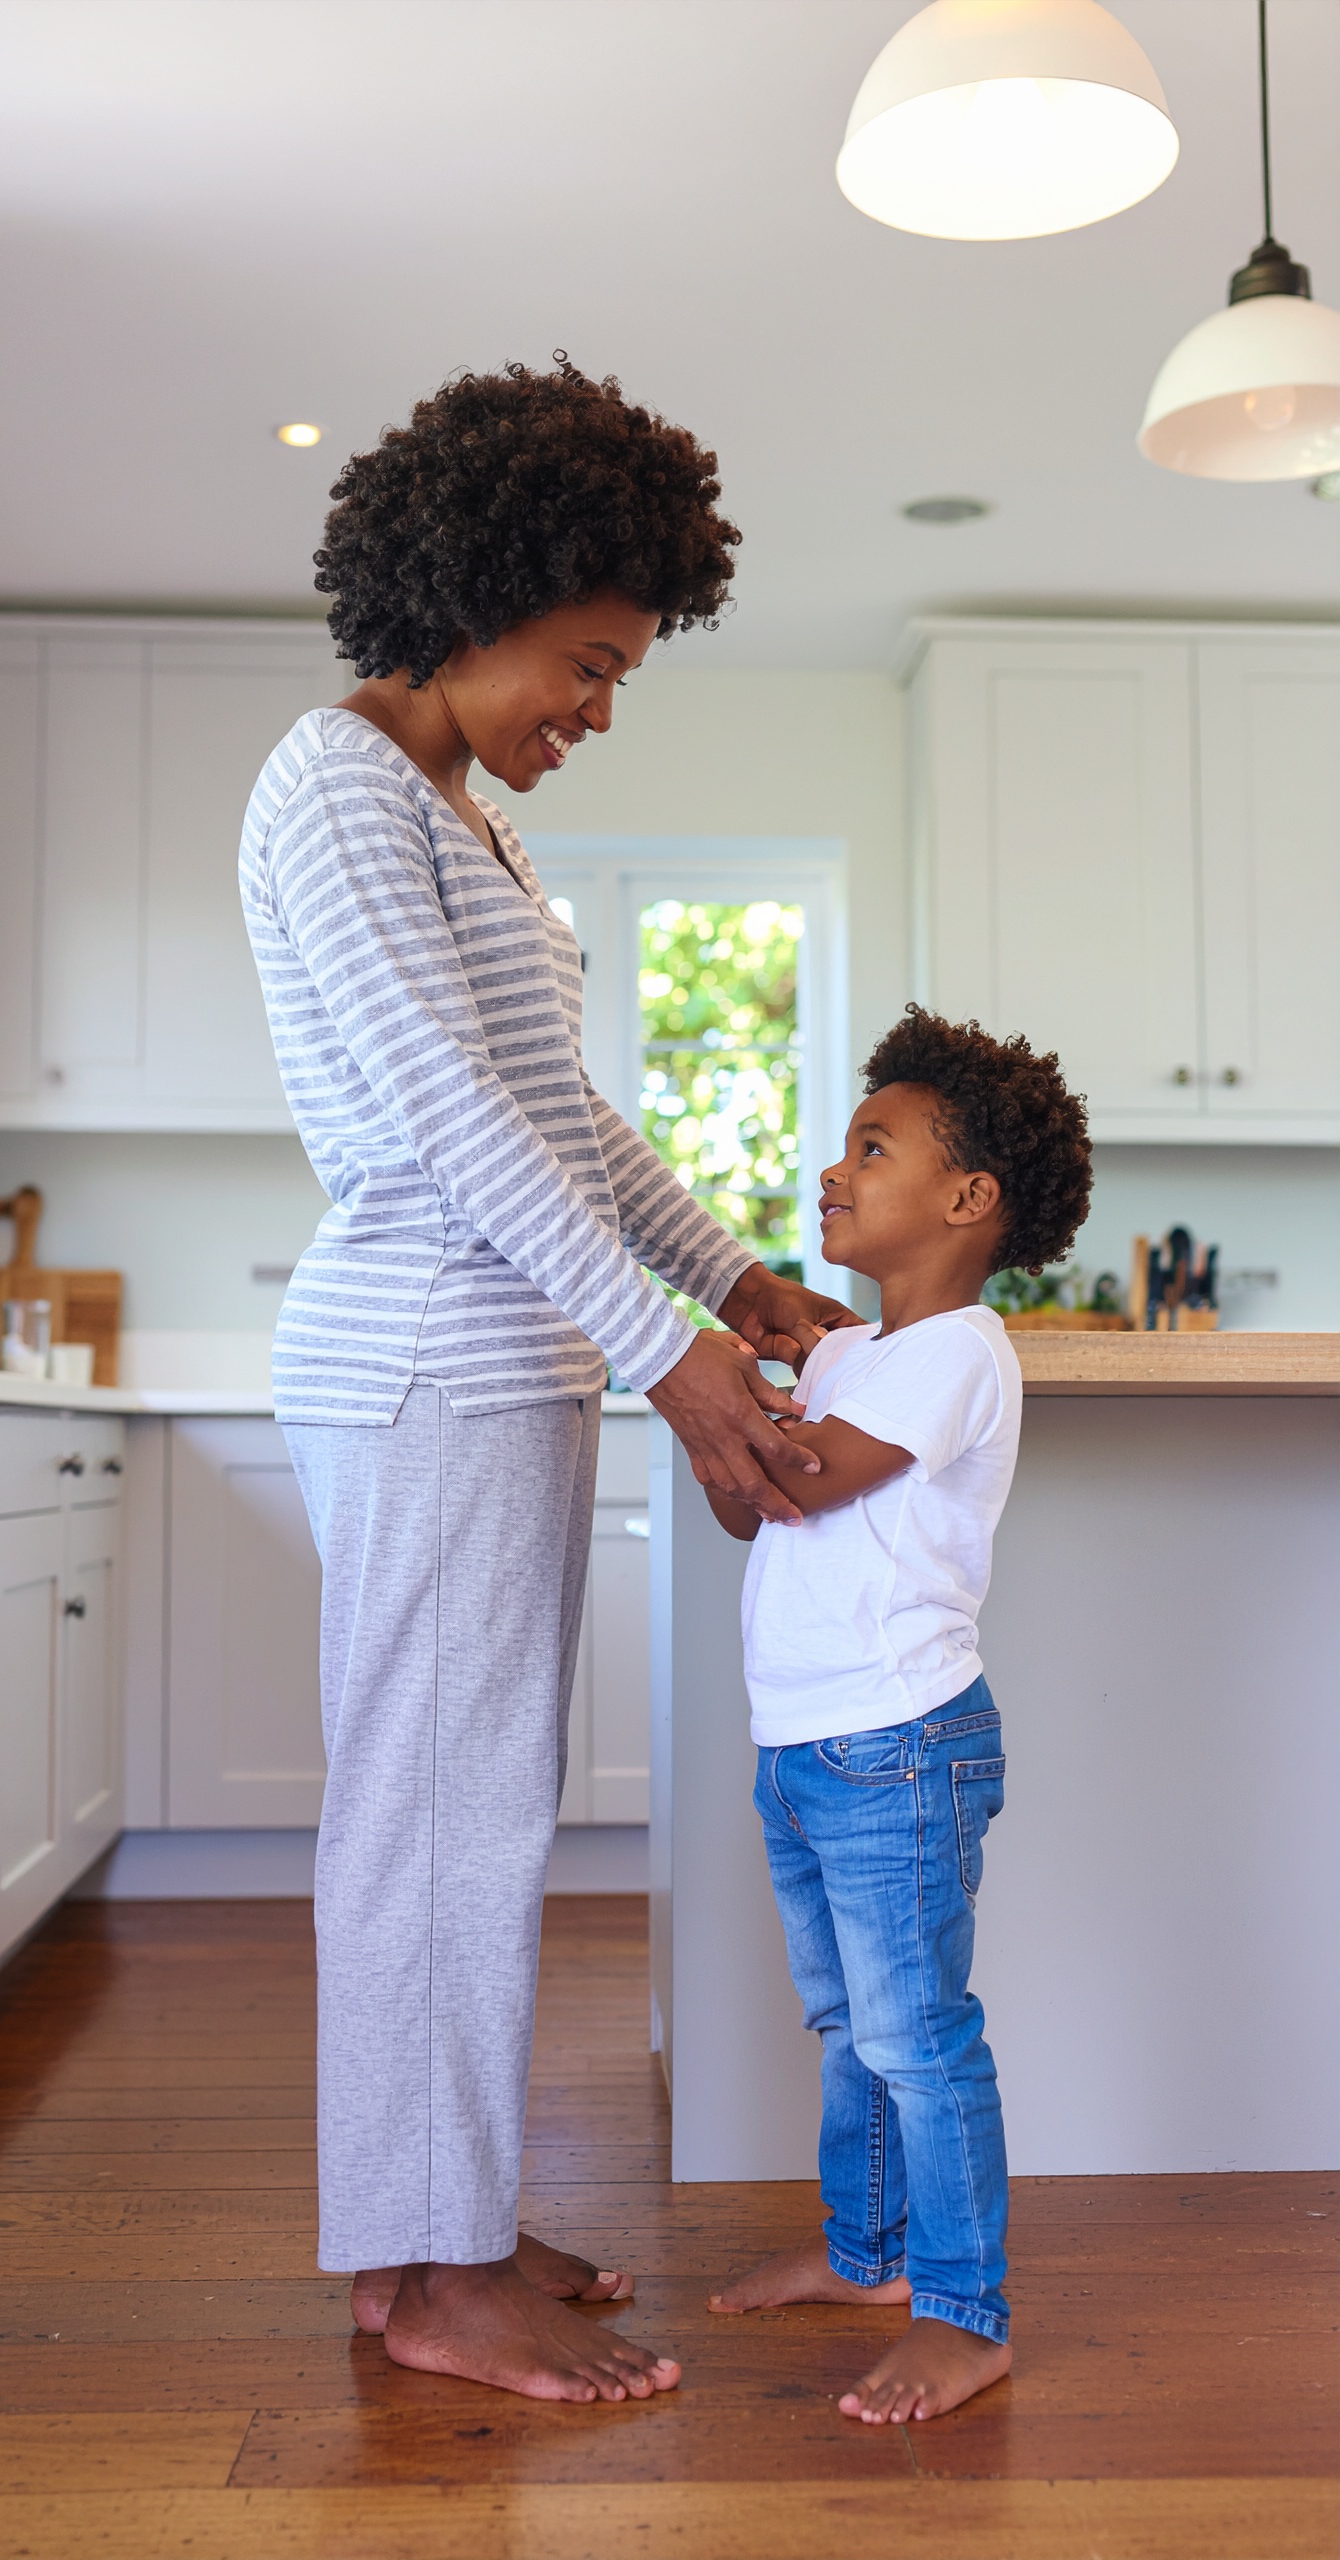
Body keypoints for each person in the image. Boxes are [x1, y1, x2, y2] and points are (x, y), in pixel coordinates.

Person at [239, 357, 857, 2405]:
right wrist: (675, 1357)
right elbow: (446, 1119)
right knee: (432, 1825)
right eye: (584, 663)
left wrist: (734, 1273)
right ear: (480, 588)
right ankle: (418, 2279)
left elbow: (568, 1118)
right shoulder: (332, 782)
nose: (594, 709)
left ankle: (450, 2213)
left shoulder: (455, 824)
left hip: (491, 1353)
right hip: (420, 1350)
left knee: (476, 1815)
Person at [702, 1006, 1092, 2423]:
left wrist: (722, 1399)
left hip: (900, 1748)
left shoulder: (958, 1353)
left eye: (874, 1147)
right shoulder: (857, 1352)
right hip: (809, 1747)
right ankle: (870, 2255)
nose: (834, 1170)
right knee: (850, 2026)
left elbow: (797, 1482)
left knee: (919, 2037)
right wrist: (738, 1405)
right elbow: (753, 1508)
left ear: (969, 1199)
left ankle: (965, 2312)